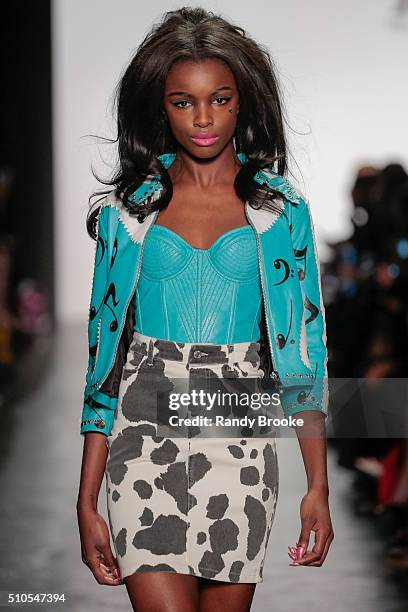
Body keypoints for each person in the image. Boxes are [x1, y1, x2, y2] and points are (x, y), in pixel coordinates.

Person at [76, 7, 334, 611]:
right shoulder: (129, 215)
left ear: (243, 102)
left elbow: (302, 355)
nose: (202, 119)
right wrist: (86, 499)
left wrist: (317, 484)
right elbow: (104, 359)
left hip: (239, 445)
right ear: (160, 108)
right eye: (183, 102)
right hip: (143, 442)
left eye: (218, 99)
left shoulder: (280, 214)